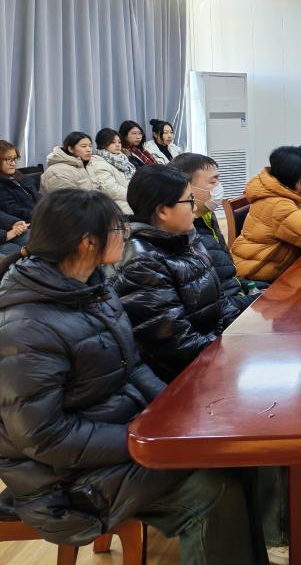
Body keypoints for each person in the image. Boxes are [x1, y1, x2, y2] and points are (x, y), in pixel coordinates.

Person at [0, 189, 267, 563]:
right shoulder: (25, 328)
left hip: (120, 436)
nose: (126, 233)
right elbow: (45, 438)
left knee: (239, 452)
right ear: (87, 241)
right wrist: (143, 439)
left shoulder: (92, 287)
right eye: (117, 228)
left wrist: (171, 413)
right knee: (214, 491)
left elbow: (134, 366)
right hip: (62, 480)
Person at [110, 165, 245, 383]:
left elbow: (220, 304)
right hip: (185, 376)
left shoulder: (185, 237)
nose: (195, 208)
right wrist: (230, 351)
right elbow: (177, 345)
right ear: (162, 211)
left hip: (213, 353)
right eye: (189, 201)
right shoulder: (142, 263)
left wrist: (241, 337)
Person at [169, 153, 266, 310]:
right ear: (187, 188)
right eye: (213, 182)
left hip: (236, 295)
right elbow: (214, 303)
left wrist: (263, 290)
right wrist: (259, 298)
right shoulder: (183, 233)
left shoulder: (207, 216)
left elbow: (227, 276)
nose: (219, 187)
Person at [231, 146, 301, 282]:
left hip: (270, 266)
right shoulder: (279, 205)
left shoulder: (288, 197)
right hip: (255, 273)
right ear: (294, 174)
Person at [41, 131, 132, 214]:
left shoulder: (85, 166)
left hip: (92, 212)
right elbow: (68, 205)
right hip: (70, 219)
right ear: (71, 149)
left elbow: (97, 192)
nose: (89, 149)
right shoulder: (57, 172)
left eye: (90, 146)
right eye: (84, 146)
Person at [0, 140, 38, 258]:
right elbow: (11, 208)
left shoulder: (18, 175)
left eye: (15, 158)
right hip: (15, 227)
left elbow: (37, 196)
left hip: (23, 223)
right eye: (8, 159)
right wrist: (8, 232)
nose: (13, 163)